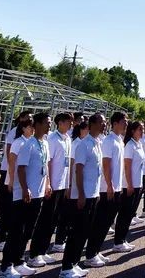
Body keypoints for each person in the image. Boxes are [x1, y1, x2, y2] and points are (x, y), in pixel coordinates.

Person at [0, 112, 52, 277]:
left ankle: (19, 261)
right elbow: (20, 168)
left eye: (50, 122)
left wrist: (48, 184)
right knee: (17, 231)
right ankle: (6, 267)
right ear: (36, 124)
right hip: (25, 195)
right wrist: (24, 188)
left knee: (27, 231)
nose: (49, 125)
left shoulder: (44, 144)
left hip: (38, 193)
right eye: (46, 122)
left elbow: (46, 165)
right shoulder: (28, 144)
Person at [59, 113, 103, 278]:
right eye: (101, 122)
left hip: (92, 194)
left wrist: (96, 192)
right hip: (82, 196)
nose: (104, 125)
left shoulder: (96, 143)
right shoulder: (84, 145)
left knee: (84, 232)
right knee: (76, 232)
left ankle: (74, 263)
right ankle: (66, 267)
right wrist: (81, 194)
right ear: (92, 124)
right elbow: (78, 169)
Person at [27, 112, 73, 266]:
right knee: (44, 221)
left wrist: (67, 185)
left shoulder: (67, 139)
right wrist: (49, 184)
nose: (71, 125)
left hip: (61, 185)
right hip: (51, 186)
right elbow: (49, 163)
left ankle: (43, 250)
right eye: (68, 122)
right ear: (60, 123)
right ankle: (34, 253)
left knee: (52, 221)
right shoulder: (52, 139)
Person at [85, 112, 126, 267]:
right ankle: (90, 254)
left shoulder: (119, 140)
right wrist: (109, 185)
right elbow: (106, 164)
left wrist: (118, 186)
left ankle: (95, 251)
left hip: (115, 187)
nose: (126, 124)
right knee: (101, 222)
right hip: (106, 188)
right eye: (123, 121)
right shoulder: (109, 141)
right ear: (115, 123)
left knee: (107, 221)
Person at [0, 111, 32, 244]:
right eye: (30, 125)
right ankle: (0, 239)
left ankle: (8, 237)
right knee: (8, 210)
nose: (33, 129)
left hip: (22, 181)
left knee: (16, 212)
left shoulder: (29, 142)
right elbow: (11, 160)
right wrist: (11, 180)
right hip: (13, 179)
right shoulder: (17, 140)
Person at [112, 118, 145, 253]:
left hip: (138, 184)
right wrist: (130, 184)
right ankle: (118, 241)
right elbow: (127, 166)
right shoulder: (130, 145)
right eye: (140, 129)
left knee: (130, 213)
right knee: (125, 214)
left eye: (142, 129)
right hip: (129, 185)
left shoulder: (139, 144)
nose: (142, 132)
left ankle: (123, 239)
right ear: (133, 131)